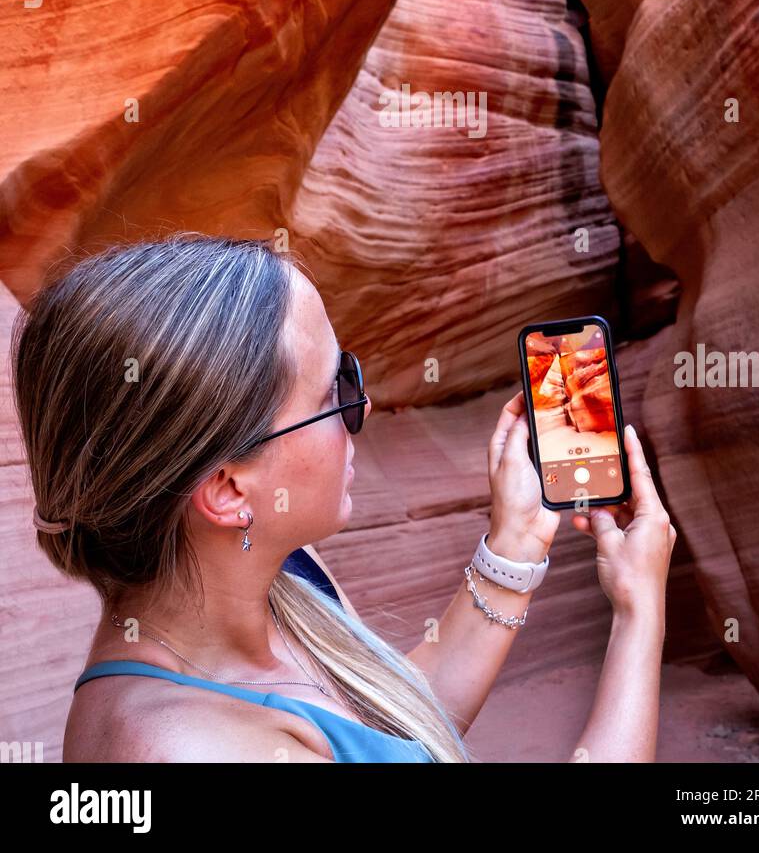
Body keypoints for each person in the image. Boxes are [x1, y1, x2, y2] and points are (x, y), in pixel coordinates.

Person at [11, 233, 675, 763]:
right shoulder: (195, 749)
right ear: (227, 488)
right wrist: (640, 611)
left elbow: (388, 729)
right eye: (334, 393)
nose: (363, 406)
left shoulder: (276, 579)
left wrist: (517, 546)